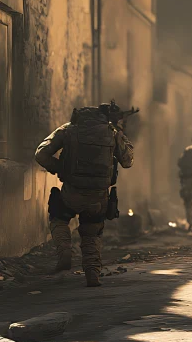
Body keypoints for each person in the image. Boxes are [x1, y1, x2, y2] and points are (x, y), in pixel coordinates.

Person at [35, 102, 134, 287]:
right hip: (98, 196)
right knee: (92, 232)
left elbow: (41, 154)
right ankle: (92, 274)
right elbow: (128, 161)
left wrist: (61, 169)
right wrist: (122, 133)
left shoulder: (68, 130)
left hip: (72, 191)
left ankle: (64, 250)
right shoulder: (112, 133)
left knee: (59, 217)